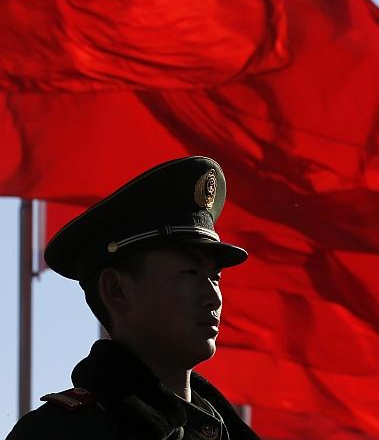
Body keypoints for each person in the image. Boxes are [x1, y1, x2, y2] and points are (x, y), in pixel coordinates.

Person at [8, 156, 260, 440]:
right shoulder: (59, 433)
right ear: (116, 290)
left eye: (215, 277)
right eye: (190, 272)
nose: (213, 298)